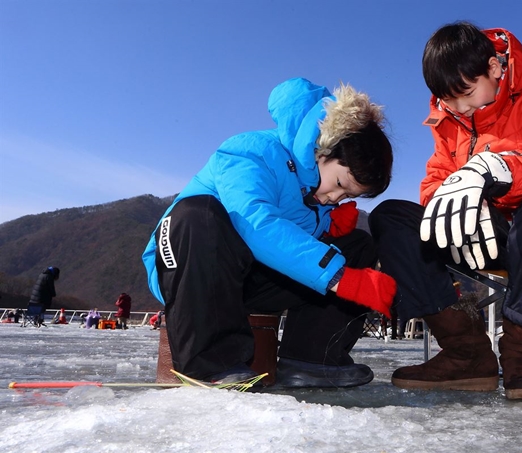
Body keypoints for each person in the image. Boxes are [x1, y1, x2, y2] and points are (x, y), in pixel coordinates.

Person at [369, 22, 522, 400]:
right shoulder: (450, 120)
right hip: (487, 233)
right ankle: (466, 352)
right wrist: (459, 202)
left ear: (495, 67)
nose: (460, 108)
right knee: (392, 218)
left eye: (465, 93)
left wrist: (500, 168)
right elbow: (433, 183)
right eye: (449, 100)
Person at [142, 77, 396, 387]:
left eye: (346, 196)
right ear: (324, 150)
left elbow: (293, 249)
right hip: (190, 267)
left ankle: (310, 360)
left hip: (249, 278)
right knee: (199, 214)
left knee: (357, 245)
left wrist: (328, 225)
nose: (335, 198)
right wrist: (341, 276)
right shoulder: (252, 152)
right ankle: (208, 365)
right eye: (340, 185)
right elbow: (255, 223)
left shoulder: (316, 199)